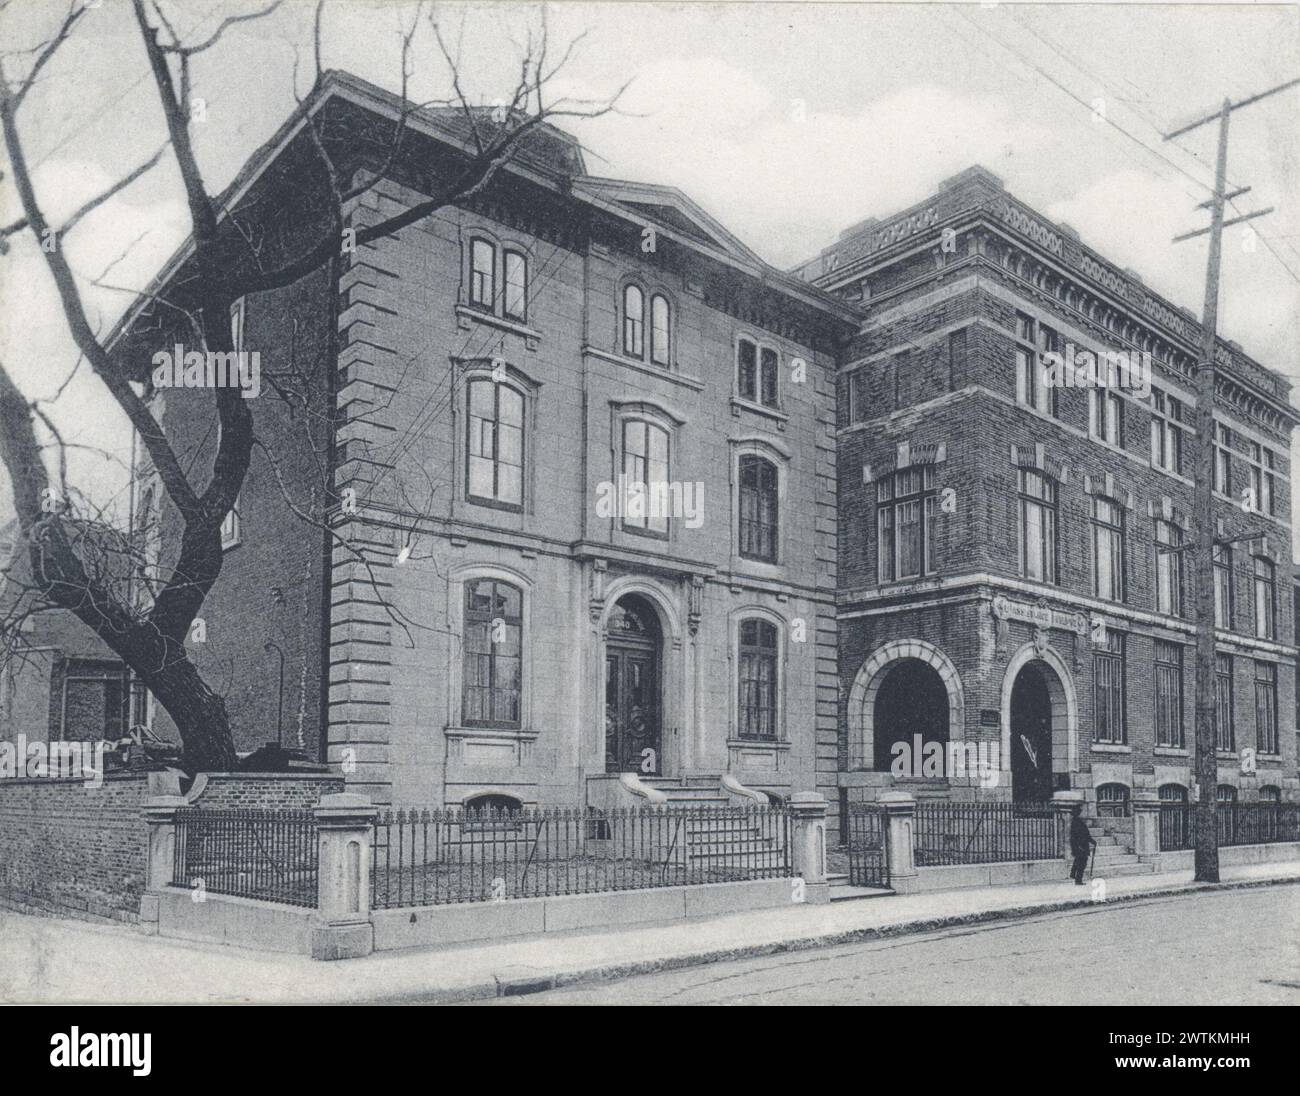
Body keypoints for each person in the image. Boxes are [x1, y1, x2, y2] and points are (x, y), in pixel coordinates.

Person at [1069, 805, 1096, 885]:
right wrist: (1079, 846)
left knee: (1078, 860)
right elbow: (1077, 836)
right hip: (1080, 846)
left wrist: (1092, 841)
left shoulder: (1077, 821)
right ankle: (1078, 880)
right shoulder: (1076, 822)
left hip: (1081, 845)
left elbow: (1086, 834)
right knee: (1082, 863)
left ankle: (1073, 874)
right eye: (1079, 811)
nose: (1080, 812)